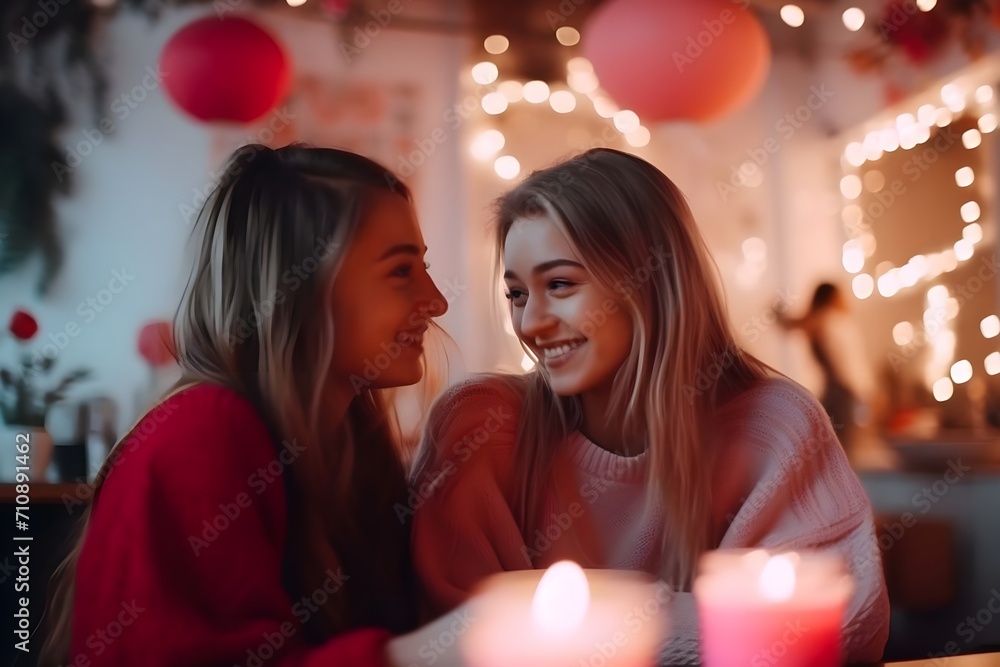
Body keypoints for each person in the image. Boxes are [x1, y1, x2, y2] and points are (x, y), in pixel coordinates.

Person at [409, 148, 889, 664]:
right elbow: (451, 635)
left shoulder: (776, 426)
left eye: (561, 284)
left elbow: (847, 629)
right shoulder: (482, 425)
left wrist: (588, 617)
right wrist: (713, 622)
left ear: (652, 280)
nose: (530, 324)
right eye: (518, 294)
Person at [39, 144, 470, 667]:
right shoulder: (201, 432)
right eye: (401, 271)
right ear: (298, 288)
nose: (437, 301)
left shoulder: (355, 448)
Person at [778, 282, 877, 449]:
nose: (845, 300)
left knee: (832, 445)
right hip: (842, 391)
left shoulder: (830, 322)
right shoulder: (830, 320)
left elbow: (790, 325)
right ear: (831, 298)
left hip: (840, 391)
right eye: (840, 296)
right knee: (839, 446)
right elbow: (851, 364)